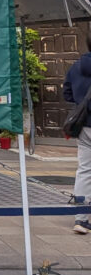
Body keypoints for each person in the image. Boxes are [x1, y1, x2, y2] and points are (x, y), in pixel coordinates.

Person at [62, 33, 91, 234]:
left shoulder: (76, 66)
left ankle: (81, 219)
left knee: (84, 171)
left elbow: (67, 93)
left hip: (85, 126)